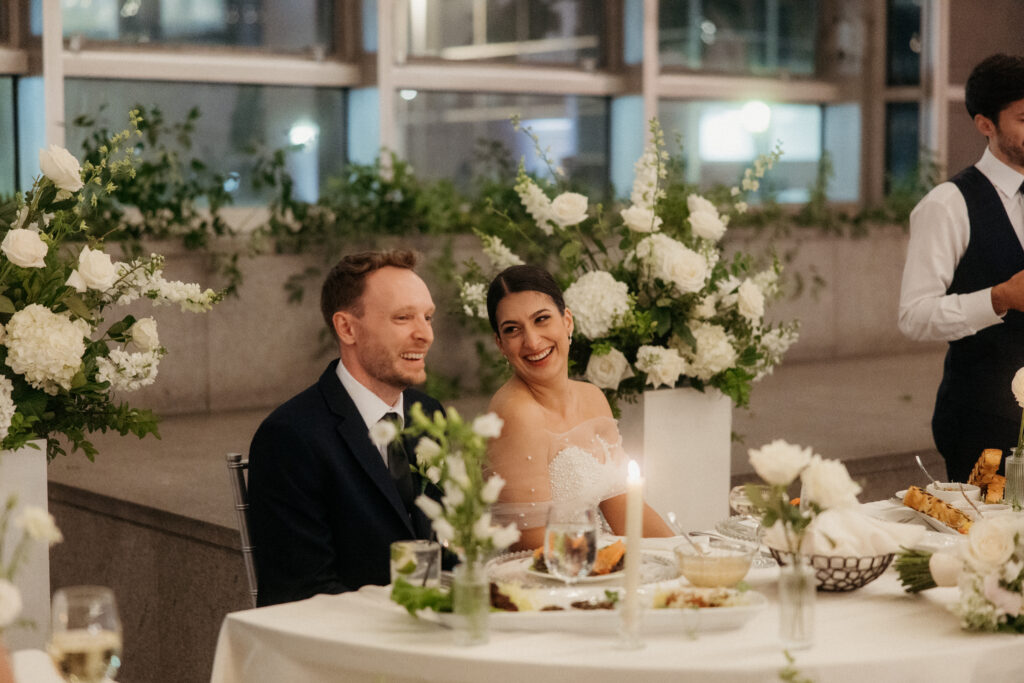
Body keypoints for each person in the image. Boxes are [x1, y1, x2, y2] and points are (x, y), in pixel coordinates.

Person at [248, 249, 443, 606]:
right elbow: (302, 591)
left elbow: (453, 551)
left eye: (427, 317)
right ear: (347, 328)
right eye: (403, 318)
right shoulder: (291, 437)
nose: (425, 334)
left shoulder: (430, 416)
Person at [484, 264, 674, 549]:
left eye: (542, 319)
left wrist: (684, 554)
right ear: (500, 344)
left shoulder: (593, 398)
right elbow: (530, 547)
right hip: (549, 578)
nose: (532, 341)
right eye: (513, 330)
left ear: (567, 321)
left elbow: (626, 511)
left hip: (598, 564)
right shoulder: (515, 413)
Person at [898, 53, 1024, 483]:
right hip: (984, 422)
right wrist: (998, 298)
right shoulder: (947, 205)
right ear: (985, 124)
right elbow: (914, 317)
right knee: (990, 548)